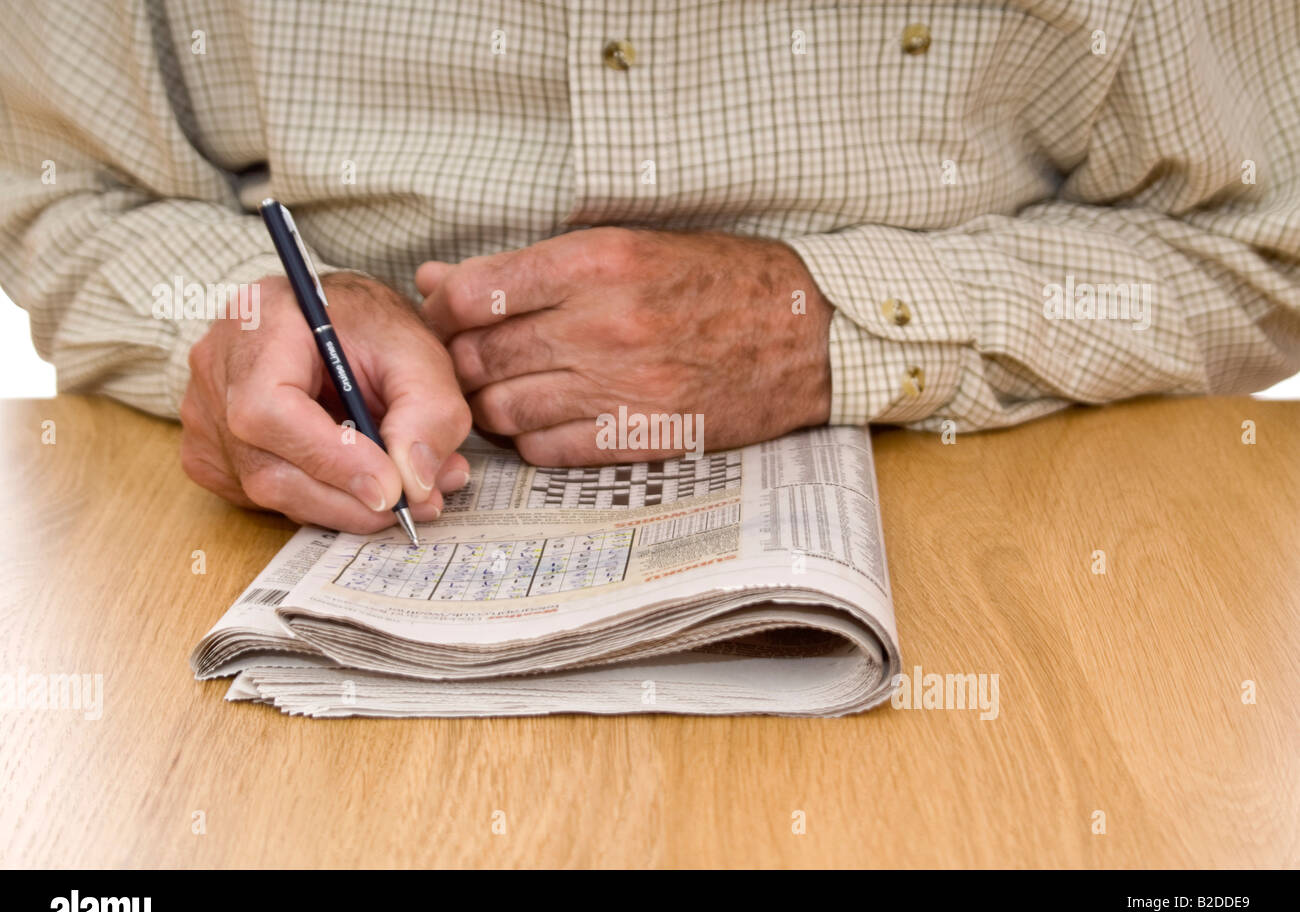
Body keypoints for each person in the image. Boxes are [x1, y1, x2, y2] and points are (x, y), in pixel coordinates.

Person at [1, 1, 1296, 534]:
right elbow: (63, 197)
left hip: (1005, 526)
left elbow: (1259, 239)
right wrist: (255, 312)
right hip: (331, 532)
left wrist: (830, 326)